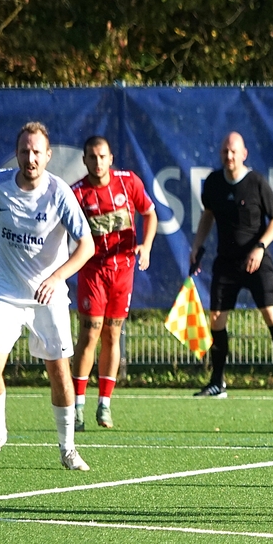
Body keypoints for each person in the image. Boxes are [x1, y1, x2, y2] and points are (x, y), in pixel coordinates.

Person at [0, 121, 95, 471]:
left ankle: (68, 448)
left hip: (48, 297)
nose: (30, 158)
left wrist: (57, 277)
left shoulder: (59, 193)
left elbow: (87, 246)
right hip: (7, 292)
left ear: (48, 155)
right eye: (24, 151)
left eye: (37, 151)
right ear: (17, 153)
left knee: (59, 373)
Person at [189, 131, 273, 398]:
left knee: (271, 314)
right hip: (225, 262)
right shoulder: (214, 182)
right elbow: (208, 214)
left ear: (244, 154)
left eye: (233, 151)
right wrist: (197, 246)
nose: (229, 156)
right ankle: (217, 383)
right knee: (216, 319)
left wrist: (260, 248)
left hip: (256, 262)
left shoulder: (256, 182)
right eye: (225, 151)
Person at [70, 136, 157, 430]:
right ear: (84, 160)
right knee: (90, 334)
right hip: (93, 271)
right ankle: (77, 406)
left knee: (113, 334)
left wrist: (146, 246)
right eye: (92, 157)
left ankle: (104, 404)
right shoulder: (77, 193)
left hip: (123, 272)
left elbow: (150, 213)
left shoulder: (128, 182)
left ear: (111, 158)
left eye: (102, 156)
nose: (98, 162)